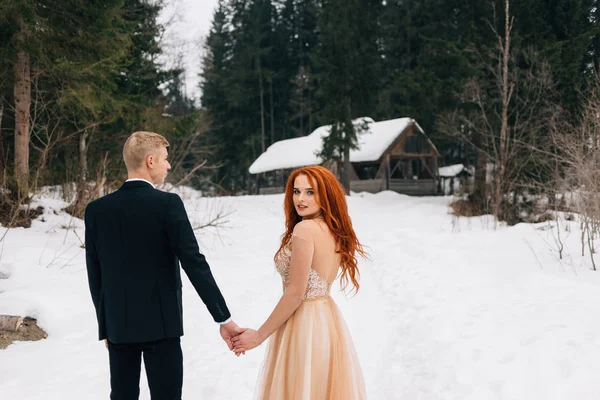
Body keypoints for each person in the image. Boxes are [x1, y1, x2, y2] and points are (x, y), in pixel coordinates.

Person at [84, 131, 240, 399]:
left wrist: (106, 324)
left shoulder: (97, 210)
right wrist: (222, 317)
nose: (169, 165)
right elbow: (194, 262)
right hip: (162, 327)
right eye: (165, 159)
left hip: (119, 327)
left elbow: (94, 272)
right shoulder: (168, 204)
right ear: (150, 161)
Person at [231, 165, 368, 399]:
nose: (300, 199)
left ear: (325, 194)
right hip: (326, 322)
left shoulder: (304, 229)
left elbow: (296, 293)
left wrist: (259, 336)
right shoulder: (332, 228)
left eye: (310, 192)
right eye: (296, 191)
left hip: (304, 323)